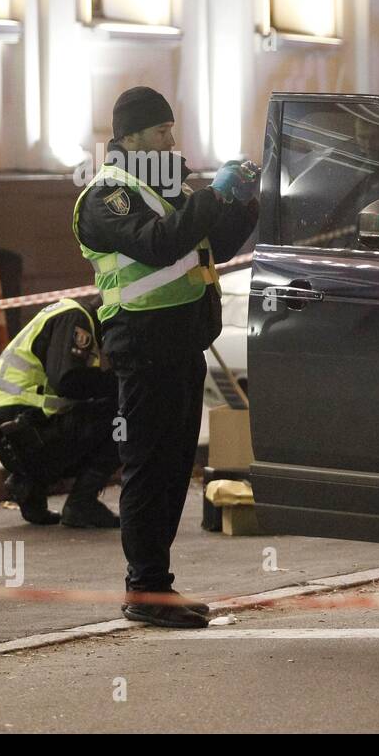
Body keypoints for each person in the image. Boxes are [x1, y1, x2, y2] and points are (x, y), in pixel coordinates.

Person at [72, 86, 258, 628]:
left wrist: (241, 201)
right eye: (160, 132)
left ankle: (159, 585)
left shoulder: (168, 187)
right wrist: (211, 196)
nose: (170, 141)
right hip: (143, 347)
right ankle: (145, 590)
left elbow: (213, 245)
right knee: (149, 469)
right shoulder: (108, 195)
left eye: (171, 130)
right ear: (128, 137)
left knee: (175, 468)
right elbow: (158, 244)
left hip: (182, 347)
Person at [0, 293, 120, 528]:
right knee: (124, 417)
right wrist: (122, 381)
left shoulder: (62, 314)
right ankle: (81, 503)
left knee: (91, 412)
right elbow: (68, 381)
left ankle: (28, 485)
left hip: (14, 435)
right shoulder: (76, 317)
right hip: (25, 431)